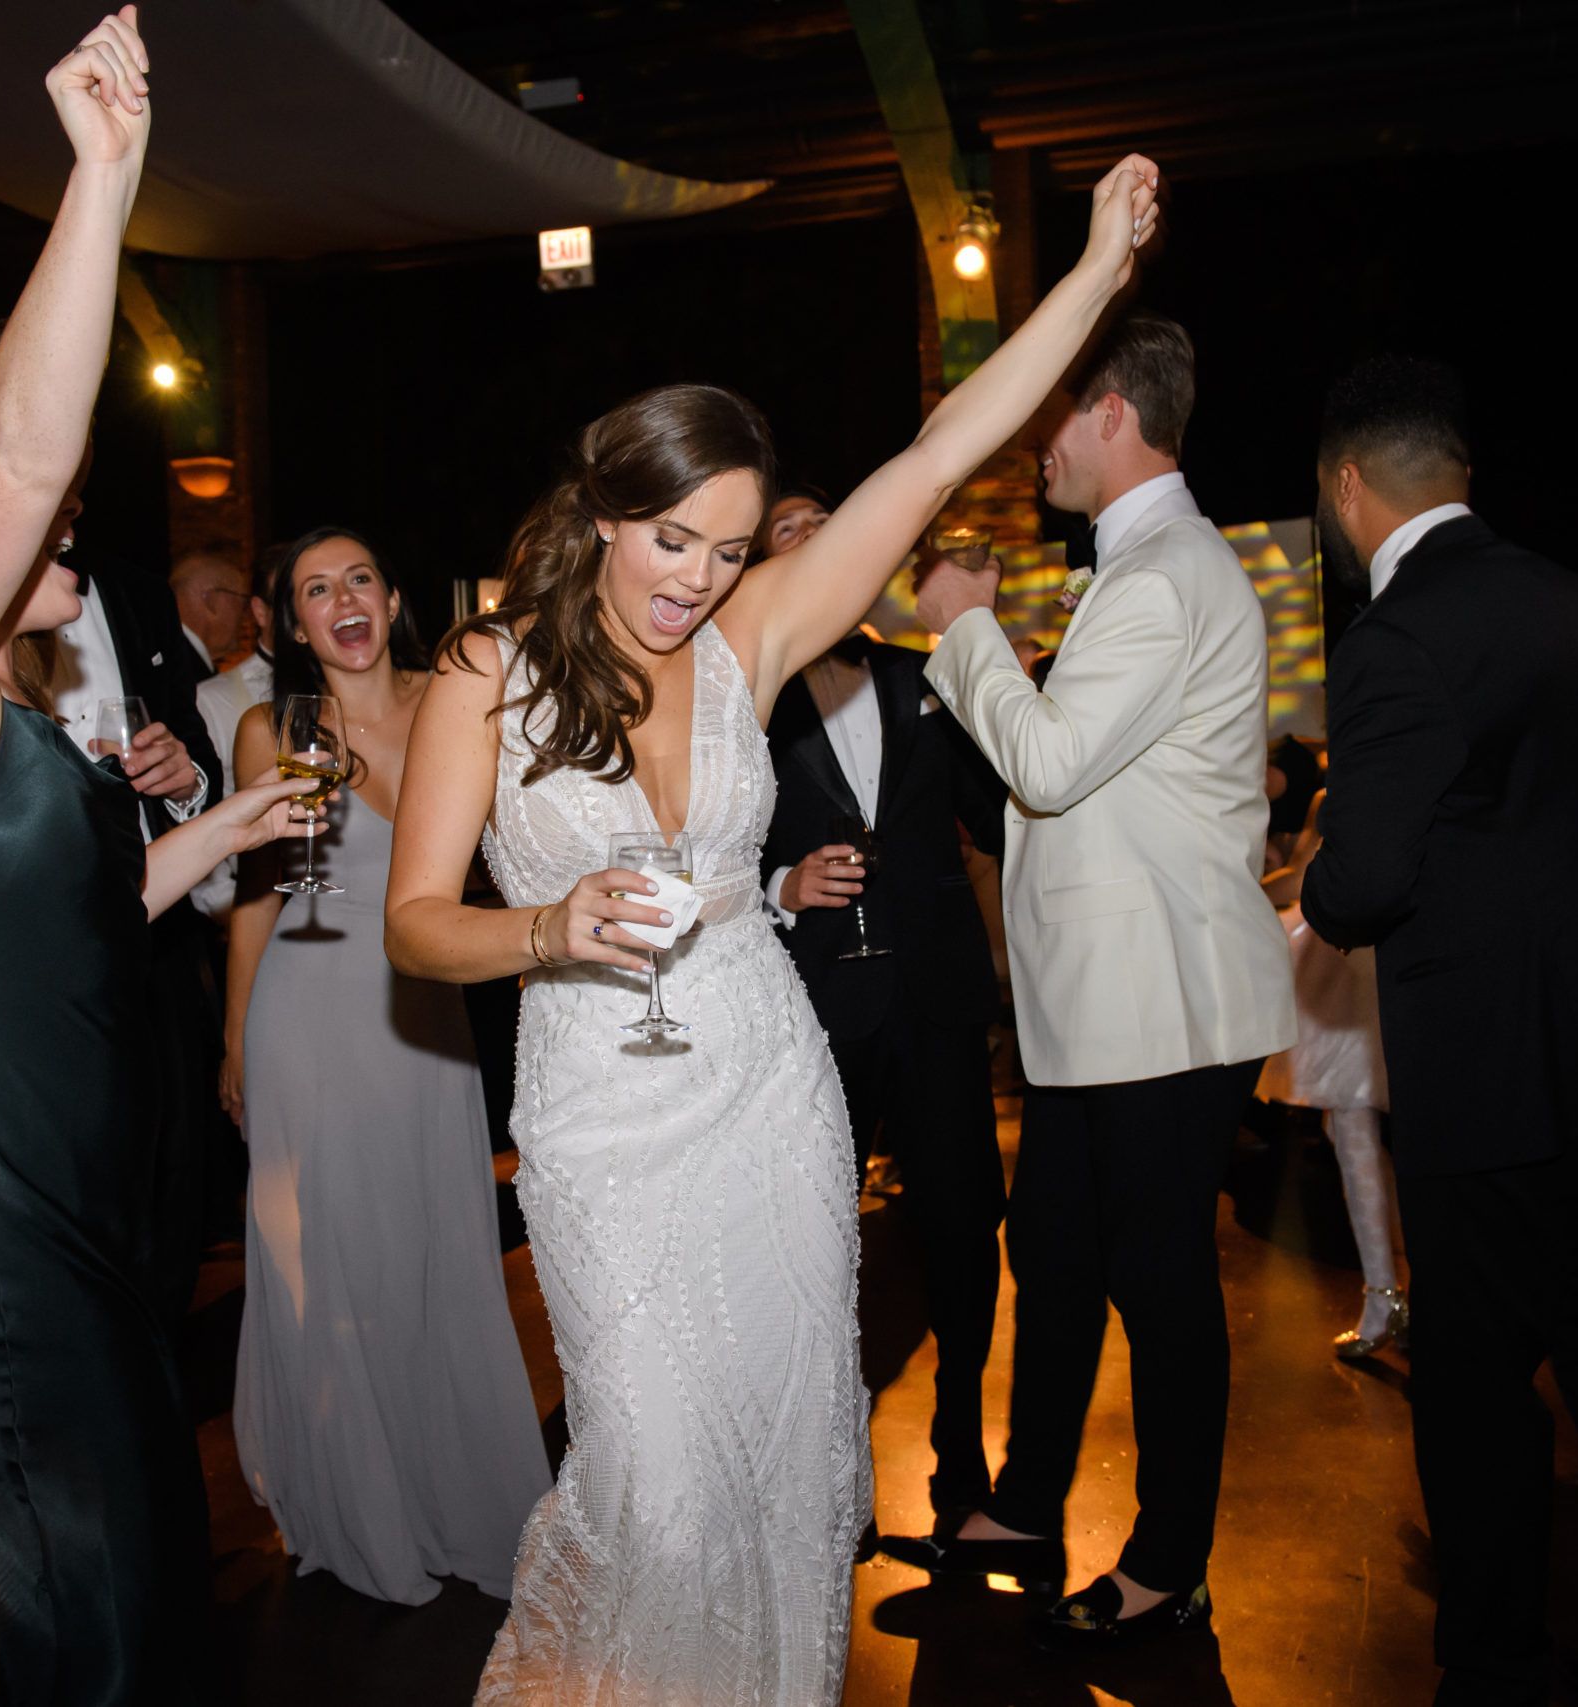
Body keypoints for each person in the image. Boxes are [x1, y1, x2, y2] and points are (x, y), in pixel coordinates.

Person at [383, 154, 1161, 1705]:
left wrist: (1091, 278)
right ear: (606, 508)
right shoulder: (484, 668)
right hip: (603, 1110)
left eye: (732, 548)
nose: (699, 579)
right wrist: (543, 927)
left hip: (766, 1081)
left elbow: (938, 455)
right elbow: (414, 926)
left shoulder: (753, 638)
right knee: (657, 1472)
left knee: (795, 1453)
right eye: (674, 539)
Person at [0, 16, 321, 1700]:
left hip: (57, 1196)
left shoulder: (0, 721)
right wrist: (100, 178)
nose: (58, 530)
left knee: (135, 1574)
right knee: (77, 1619)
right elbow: (21, 449)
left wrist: (226, 828)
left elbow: (89, 918)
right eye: (27, 522)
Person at [1299, 356, 1578, 1707]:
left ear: (1351, 488)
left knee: (1476, 1387)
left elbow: (1361, 883)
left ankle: (1494, 1662)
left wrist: (1316, 870)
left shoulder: (1399, 637)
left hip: (1493, 1074)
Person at [903, 313, 1297, 1646]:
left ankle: (1173, 1560)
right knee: (1055, 1247)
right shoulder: (1136, 567)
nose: (1041, 447)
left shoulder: (1162, 571)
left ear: (1113, 414)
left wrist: (964, 632)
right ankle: (1025, 1498)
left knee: (1157, 1275)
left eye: (1055, 423)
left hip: (1160, 1003)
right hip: (1103, 1004)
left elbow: (1053, 766)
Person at [217, 527, 548, 1605]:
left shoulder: (457, 698)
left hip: (424, 1014)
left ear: (393, 596)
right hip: (306, 1016)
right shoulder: (279, 728)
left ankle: (461, 1494)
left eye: (358, 576)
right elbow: (260, 893)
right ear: (292, 622)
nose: (342, 598)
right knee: (335, 1268)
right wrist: (232, 1039)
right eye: (315, 589)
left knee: (437, 1253)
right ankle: (361, 1507)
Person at [0, 327, 230, 1322]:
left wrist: (184, 775)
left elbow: (197, 745)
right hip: (13, 965)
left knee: (167, 1197)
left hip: (149, 944)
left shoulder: (131, 589)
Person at [756, 498, 1011, 1529]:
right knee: (815, 1248)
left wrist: (1005, 687)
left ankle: (962, 1452)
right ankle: (831, 1472)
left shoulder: (922, 676)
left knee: (963, 1228)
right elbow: (701, 846)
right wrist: (781, 883)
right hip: (812, 1008)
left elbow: (998, 814)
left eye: (828, 521)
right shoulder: (743, 697)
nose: (816, 537)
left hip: (938, 1004)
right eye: (788, 531)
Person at [1260, 788, 1406, 1358]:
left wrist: (1241, 888)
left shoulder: (1343, 786)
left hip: (1355, 965)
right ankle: (1416, 1296)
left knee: (1353, 1130)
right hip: (1409, 958)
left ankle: (1386, 1298)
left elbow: (1303, 880)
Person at [189, 555, 278, 921]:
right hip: (249, 905)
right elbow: (196, 815)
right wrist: (231, 911)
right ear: (260, 611)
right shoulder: (212, 697)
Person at [170, 546, 250, 676]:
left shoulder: (171, 656)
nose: (246, 613)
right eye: (243, 600)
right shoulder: (181, 671)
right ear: (211, 601)